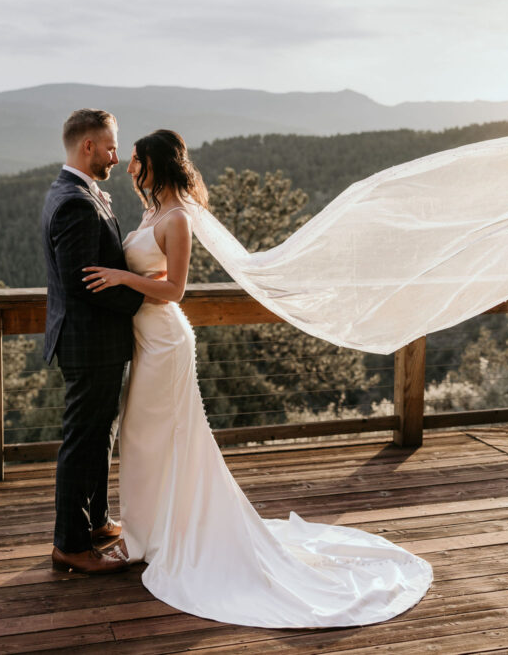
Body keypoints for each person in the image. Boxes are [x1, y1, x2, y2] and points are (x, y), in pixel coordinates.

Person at [81, 130, 434, 628]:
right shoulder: (152, 212)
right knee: (145, 438)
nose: (130, 166)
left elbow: (177, 288)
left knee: (146, 436)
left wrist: (120, 278)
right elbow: (157, 277)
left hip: (165, 341)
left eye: (136, 160)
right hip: (146, 339)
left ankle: (143, 541)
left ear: (154, 164)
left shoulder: (177, 217)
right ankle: (150, 531)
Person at [40, 109, 144, 575]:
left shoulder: (76, 192)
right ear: (88, 146)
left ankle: (97, 521)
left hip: (96, 341)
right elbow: (82, 281)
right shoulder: (76, 201)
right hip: (90, 341)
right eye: (110, 147)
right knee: (83, 442)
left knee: (101, 435)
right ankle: (70, 545)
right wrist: (142, 301)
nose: (116, 157)